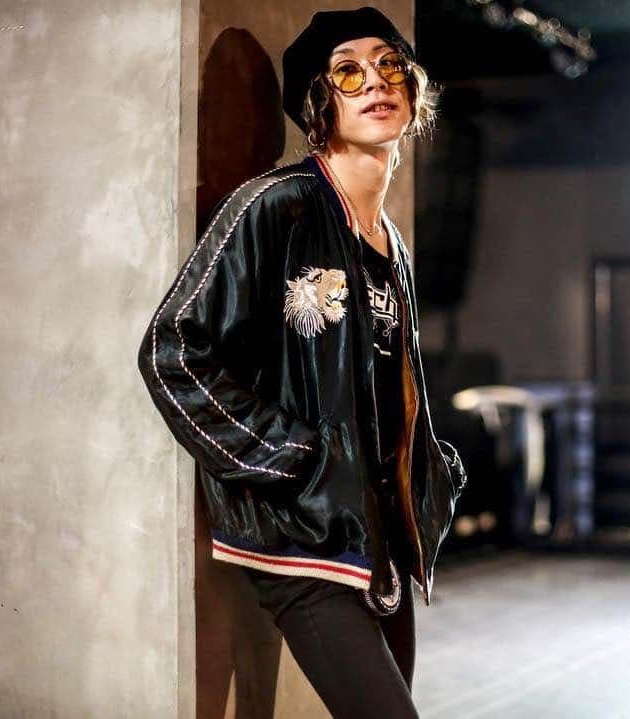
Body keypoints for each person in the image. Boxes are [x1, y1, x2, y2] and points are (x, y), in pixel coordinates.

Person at [137, 8, 467, 717]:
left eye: (390, 64)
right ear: (321, 102)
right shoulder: (273, 207)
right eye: (349, 71)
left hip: (376, 538)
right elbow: (172, 350)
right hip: (304, 539)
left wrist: (430, 470)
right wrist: (289, 456)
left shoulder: (391, 244)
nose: (376, 81)